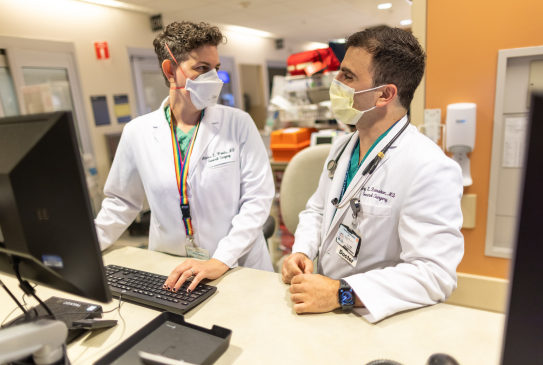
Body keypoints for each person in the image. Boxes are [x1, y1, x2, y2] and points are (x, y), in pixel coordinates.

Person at [281, 27, 464, 323]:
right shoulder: (343, 147)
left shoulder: (430, 167)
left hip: (373, 314)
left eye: (348, 76)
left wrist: (341, 292)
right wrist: (302, 250)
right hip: (321, 303)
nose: (335, 82)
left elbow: (434, 275)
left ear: (384, 94)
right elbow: (318, 209)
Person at [95, 21, 275, 294]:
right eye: (202, 69)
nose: (213, 79)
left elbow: (257, 199)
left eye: (216, 69)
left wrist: (220, 259)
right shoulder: (138, 132)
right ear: (170, 71)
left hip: (239, 265)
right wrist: (84, 250)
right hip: (173, 270)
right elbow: (121, 202)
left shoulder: (238, 123)